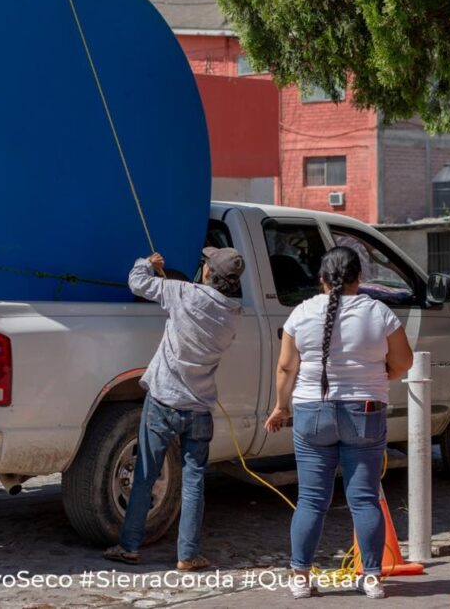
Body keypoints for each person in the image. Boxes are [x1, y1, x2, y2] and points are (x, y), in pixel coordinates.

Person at [264, 246, 413, 600]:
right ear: (359, 278)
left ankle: (301, 577)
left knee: (311, 500)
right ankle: (372, 578)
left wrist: (281, 407)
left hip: (312, 411)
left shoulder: (301, 313)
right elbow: (404, 361)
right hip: (365, 411)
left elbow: (286, 367)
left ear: (321, 279)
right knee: (364, 499)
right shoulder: (379, 313)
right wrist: (380, 376)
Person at [103, 246, 245, 571]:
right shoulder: (233, 315)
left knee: (145, 474)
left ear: (207, 272)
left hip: (163, 400)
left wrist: (147, 263)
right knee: (194, 481)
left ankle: (129, 546)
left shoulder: (183, 293)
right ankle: (187, 555)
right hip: (199, 408)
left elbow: (137, 282)